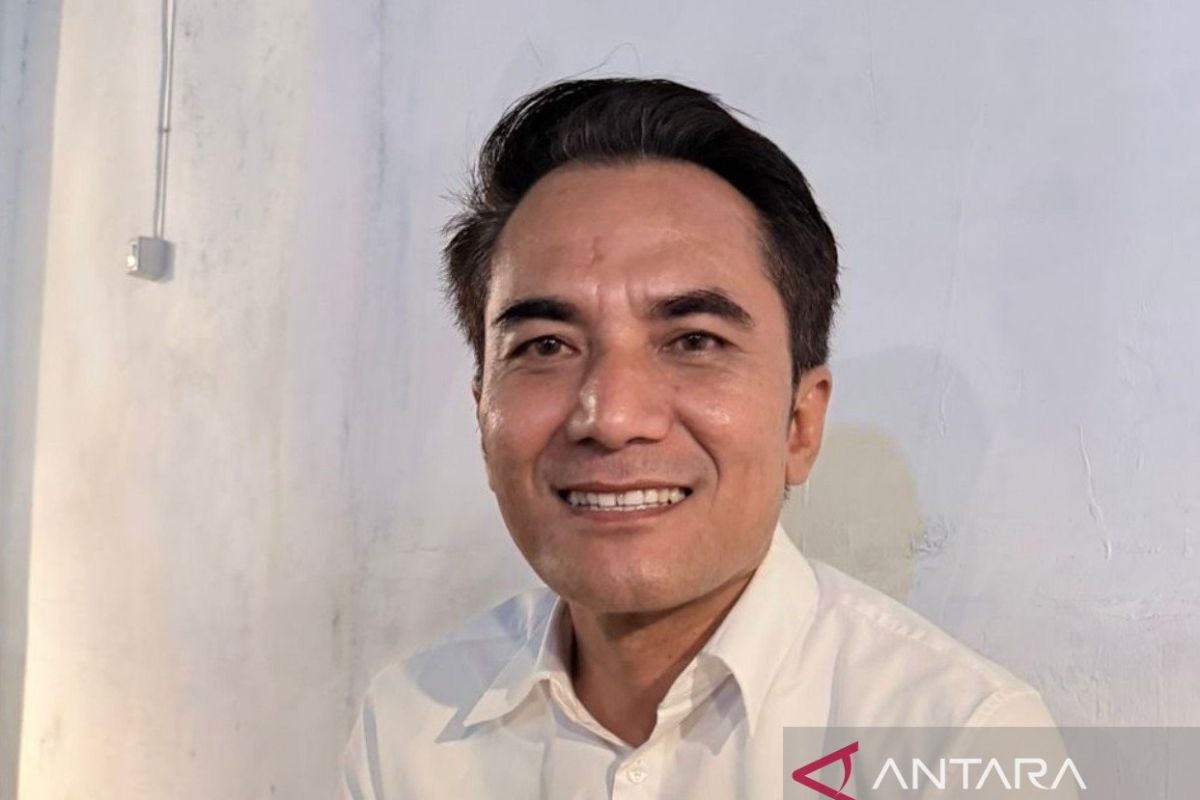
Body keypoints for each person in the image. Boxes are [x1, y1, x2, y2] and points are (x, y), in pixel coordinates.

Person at [338, 77, 1055, 800]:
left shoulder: (960, 741)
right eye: (547, 346)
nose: (611, 417)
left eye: (693, 340)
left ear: (801, 424)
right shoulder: (410, 729)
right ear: (483, 415)